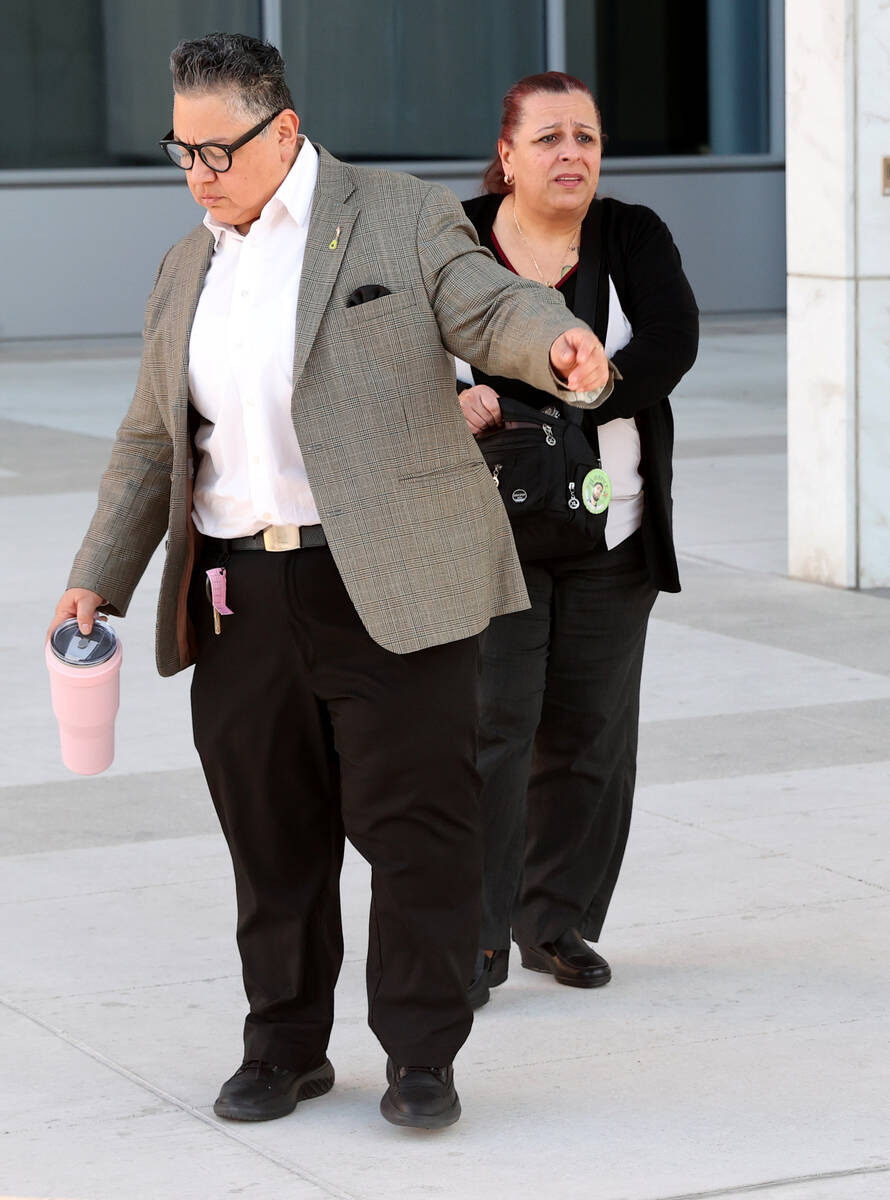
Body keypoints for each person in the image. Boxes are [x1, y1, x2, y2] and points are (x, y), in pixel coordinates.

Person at [47, 37, 613, 1130]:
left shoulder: (392, 213)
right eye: (182, 148)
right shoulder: (186, 266)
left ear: (285, 131)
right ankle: (284, 1047)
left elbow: (487, 305)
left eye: (219, 147)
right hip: (236, 595)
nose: (199, 170)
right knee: (270, 832)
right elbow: (151, 444)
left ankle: (419, 1056)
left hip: (386, 581)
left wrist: (557, 348)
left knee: (419, 831)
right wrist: (97, 581)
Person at [458, 72, 698, 1009]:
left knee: (592, 735)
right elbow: (402, 345)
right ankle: (475, 935)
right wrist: (453, 396)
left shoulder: (633, 234)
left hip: (615, 525)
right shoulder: (457, 235)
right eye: (550, 137)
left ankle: (554, 921)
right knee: (491, 732)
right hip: (489, 532)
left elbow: (670, 344)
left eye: (587, 138)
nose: (572, 155)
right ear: (508, 152)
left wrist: (592, 388)